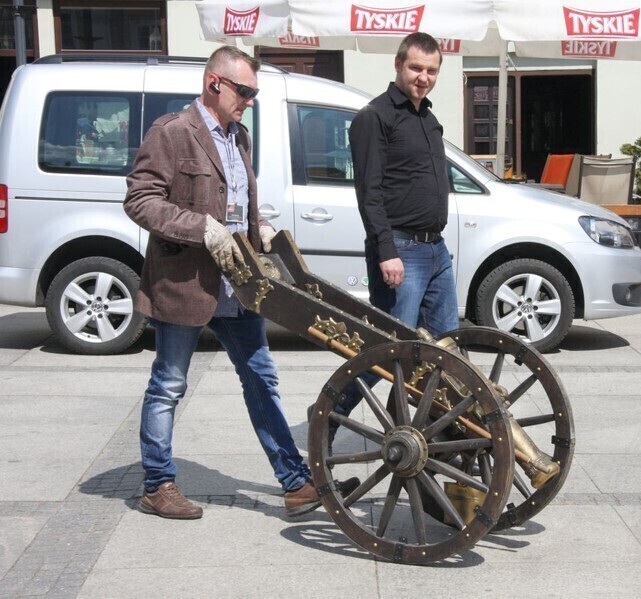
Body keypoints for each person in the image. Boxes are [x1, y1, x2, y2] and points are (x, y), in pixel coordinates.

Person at [124, 45, 340, 520]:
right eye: (245, 91)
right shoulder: (172, 132)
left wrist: (257, 228)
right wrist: (201, 228)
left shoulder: (239, 137)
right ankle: (158, 484)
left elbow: (238, 203)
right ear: (214, 83)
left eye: (254, 92)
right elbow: (140, 201)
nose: (250, 100)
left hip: (239, 285)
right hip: (185, 284)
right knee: (168, 385)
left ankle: (296, 482)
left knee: (261, 379)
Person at [320, 33, 459, 435]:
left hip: (436, 250)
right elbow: (369, 191)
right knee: (386, 353)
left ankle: (441, 431)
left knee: (445, 349)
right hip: (401, 249)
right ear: (398, 65)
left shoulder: (428, 120)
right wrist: (386, 251)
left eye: (431, 71)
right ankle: (329, 412)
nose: (423, 77)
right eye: (416, 68)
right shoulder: (374, 117)